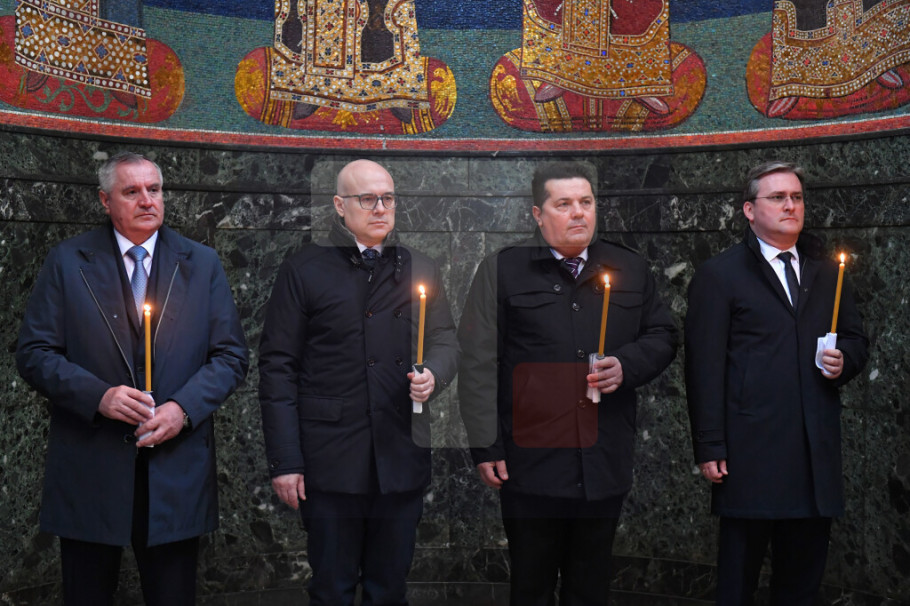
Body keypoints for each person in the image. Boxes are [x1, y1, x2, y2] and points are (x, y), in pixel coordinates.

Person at [16, 151, 249, 606]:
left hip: (175, 470)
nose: (147, 200)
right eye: (132, 191)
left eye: (154, 189)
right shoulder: (68, 261)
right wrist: (98, 396)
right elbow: (34, 353)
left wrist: (182, 409)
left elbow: (231, 356)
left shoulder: (201, 263)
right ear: (105, 201)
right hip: (90, 467)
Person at [458, 161, 678, 605]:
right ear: (537, 215)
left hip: (603, 456)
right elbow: (477, 362)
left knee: (590, 588)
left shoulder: (629, 267)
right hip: (530, 461)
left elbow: (664, 334)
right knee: (531, 586)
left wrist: (627, 365)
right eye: (564, 204)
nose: (578, 213)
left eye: (586, 202)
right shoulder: (503, 269)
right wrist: (486, 445)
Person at [258, 159, 458, 605]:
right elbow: (277, 367)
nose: (380, 208)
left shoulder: (420, 267)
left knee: (389, 590)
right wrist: (286, 461)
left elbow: (445, 338)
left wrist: (434, 373)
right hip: (331, 459)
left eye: (388, 198)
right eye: (367, 199)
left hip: (400, 453)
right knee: (331, 589)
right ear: (339, 205)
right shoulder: (305, 269)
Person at [685, 161, 869, 605]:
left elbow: (856, 339)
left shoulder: (828, 273)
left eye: (797, 197)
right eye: (778, 197)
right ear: (749, 210)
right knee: (738, 583)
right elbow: (703, 366)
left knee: (801, 585)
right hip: (750, 454)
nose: (791, 205)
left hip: (812, 455)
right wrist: (710, 444)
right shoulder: (720, 274)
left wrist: (844, 361)